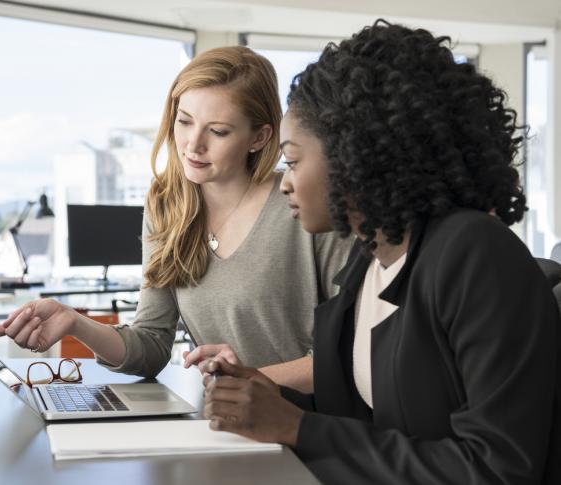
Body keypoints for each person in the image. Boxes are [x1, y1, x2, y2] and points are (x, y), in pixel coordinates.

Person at [201, 20, 560, 484]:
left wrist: (298, 427)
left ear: (356, 153)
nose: (285, 182)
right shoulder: (369, 260)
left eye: (292, 161)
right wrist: (267, 398)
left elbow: (498, 469)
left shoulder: (475, 253)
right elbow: (361, 417)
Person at [0, 46, 352, 389]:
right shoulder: (167, 207)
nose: (193, 144)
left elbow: (350, 357)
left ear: (259, 137)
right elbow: (152, 345)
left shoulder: (305, 205)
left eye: (218, 131)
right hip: (230, 420)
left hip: (311, 427)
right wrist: (75, 323)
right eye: (185, 121)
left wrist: (250, 380)